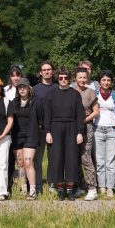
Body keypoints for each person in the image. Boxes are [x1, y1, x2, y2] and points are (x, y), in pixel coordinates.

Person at [45, 67, 85, 201]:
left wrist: (79, 132)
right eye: (61, 78)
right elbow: (47, 114)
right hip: (55, 127)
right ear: (58, 78)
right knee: (57, 158)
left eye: (66, 78)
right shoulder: (51, 93)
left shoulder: (75, 94)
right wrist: (48, 132)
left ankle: (70, 189)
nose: (63, 80)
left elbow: (80, 115)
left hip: (71, 127)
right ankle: (61, 189)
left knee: (71, 158)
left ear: (69, 79)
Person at [94, 70, 115, 198]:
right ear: (99, 81)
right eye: (104, 80)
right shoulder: (94, 94)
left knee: (111, 161)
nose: (106, 82)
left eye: (108, 80)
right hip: (97, 130)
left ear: (111, 82)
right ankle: (101, 187)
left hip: (112, 130)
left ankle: (110, 187)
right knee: (100, 161)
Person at [72, 67, 100, 201]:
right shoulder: (71, 92)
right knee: (75, 158)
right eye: (80, 77)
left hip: (86, 127)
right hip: (72, 129)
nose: (82, 80)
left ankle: (92, 188)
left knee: (85, 157)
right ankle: (80, 186)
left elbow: (96, 111)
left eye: (84, 77)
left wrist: (83, 120)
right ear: (75, 78)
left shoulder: (90, 92)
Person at [11, 78, 40, 199]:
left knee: (28, 162)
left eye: (24, 87)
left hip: (31, 135)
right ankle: (23, 189)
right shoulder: (13, 102)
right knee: (20, 163)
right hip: (17, 136)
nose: (22, 89)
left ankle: (32, 190)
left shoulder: (36, 101)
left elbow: (42, 117)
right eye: (20, 87)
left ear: (29, 88)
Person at [32, 60, 57, 193]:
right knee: (38, 159)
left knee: (53, 158)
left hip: (54, 128)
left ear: (52, 71)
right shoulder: (35, 90)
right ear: (40, 73)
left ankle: (52, 184)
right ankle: (38, 186)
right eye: (44, 70)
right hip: (39, 128)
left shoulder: (58, 88)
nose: (47, 71)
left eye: (49, 69)